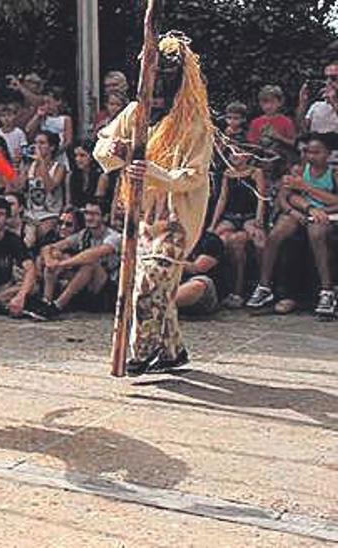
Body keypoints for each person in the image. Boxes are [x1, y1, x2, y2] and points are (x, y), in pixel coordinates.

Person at [94, 33, 215, 375]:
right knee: (158, 283)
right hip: (141, 215)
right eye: (153, 78)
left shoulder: (194, 122)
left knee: (151, 280)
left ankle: (140, 349)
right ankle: (172, 350)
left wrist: (155, 172)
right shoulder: (134, 112)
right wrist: (114, 153)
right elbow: (102, 147)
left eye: (166, 79)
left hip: (176, 219)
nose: (158, 88)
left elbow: (193, 174)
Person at [246, 133, 338, 319]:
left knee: (316, 234)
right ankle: (264, 285)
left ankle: (327, 290)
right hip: (300, 210)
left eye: (316, 152)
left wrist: (307, 189)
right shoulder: (299, 169)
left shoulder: (334, 173)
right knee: (276, 234)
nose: (311, 156)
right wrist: (295, 210)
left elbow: (335, 201)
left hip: (326, 213)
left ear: (328, 154)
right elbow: (284, 197)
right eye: (308, 152)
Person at [37, 202, 122, 316]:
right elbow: (48, 247)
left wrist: (62, 264)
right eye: (87, 213)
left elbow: (92, 255)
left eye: (94, 214)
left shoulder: (114, 237)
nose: (89, 218)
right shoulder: (83, 234)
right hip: (87, 284)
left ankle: (57, 306)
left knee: (90, 264)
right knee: (55, 254)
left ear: (105, 217)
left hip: (108, 287)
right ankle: (46, 302)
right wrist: (50, 261)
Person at [210, 146, 268, 308]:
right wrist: (213, 224)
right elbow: (222, 199)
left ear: (248, 156)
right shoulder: (228, 174)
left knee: (258, 240)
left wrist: (259, 219)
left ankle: (262, 284)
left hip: (249, 215)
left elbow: (261, 197)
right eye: (232, 152)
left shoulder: (256, 172)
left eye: (239, 152)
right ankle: (223, 286)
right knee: (215, 238)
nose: (234, 156)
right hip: (231, 215)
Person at [22, 130, 68, 248]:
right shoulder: (29, 166)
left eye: (42, 143)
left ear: (51, 147)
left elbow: (49, 187)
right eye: (36, 143)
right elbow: (18, 187)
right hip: (30, 214)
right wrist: (18, 165)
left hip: (50, 213)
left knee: (41, 233)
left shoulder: (59, 168)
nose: (37, 146)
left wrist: (41, 161)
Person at [176, 230, 225, 316]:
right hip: (174, 281)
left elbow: (198, 268)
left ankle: (160, 305)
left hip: (201, 289)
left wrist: (170, 260)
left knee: (199, 284)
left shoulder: (210, 240)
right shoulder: (163, 240)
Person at [297, 61, 338, 135]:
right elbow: (303, 129)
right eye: (326, 78)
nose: (328, 82)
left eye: (333, 78)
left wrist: (334, 103)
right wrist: (302, 103)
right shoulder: (317, 106)